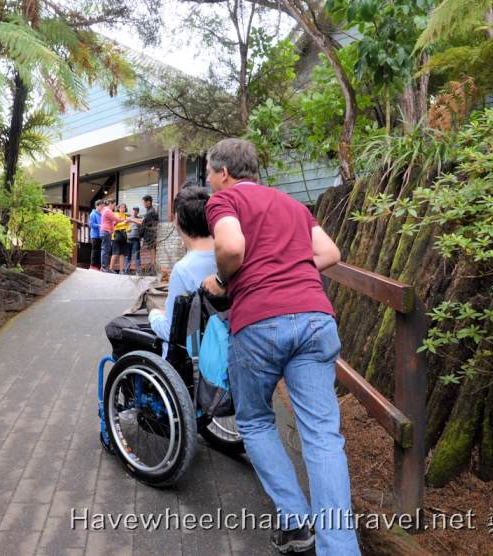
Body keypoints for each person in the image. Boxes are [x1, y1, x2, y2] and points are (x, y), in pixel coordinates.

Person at [200, 138, 359, 555]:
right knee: (323, 436)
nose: (210, 182)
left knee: (254, 421)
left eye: (209, 173)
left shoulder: (224, 201)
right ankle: (340, 548)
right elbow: (329, 253)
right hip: (315, 318)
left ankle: (295, 520)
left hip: (260, 322)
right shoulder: (292, 206)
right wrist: (291, 268)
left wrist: (222, 280)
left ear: (225, 173)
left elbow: (231, 247)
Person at [149, 185, 216, 357]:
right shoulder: (228, 258)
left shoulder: (183, 269)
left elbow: (171, 331)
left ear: (177, 220)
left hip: (189, 358)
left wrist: (154, 315)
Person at [110, 203, 129, 273]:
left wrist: (128, 229)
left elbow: (127, 227)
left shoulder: (125, 216)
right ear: (118, 208)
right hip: (117, 234)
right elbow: (114, 224)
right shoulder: (115, 214)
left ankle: (121, 270)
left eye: (124, 207)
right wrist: (124, 222)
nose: (122, 209)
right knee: (115, 252)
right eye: (121, 207)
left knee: (123, 253)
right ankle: (111, 268)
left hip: (124, 235)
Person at [100, 200, 118, 272]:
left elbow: (112, 221)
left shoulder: (105, 210)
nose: (114, 206)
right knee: (105, 249)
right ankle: (104, 267)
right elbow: (116, 219)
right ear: (110, 204)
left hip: (106, 231)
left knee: (106, 249)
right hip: (106, 231)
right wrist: (125, 219)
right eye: (114, 205)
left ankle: (105, 267)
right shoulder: (108, 211)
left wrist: (115, 222)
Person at [123, 206, 142, 275]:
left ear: (138, 212)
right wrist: (129, 220)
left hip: (136, 239)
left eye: (136, 211)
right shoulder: (128, 218)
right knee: (128, 255)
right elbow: (124, 223)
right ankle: (126, 270)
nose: (134, 212)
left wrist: (132, 220)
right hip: (128, 239)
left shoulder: (139, 218)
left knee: (137, 255)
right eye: (133, 210)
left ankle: (138, 271)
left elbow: (141, 223)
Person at [88, 199, 104, 271]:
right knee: (95, 251)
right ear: (97, 206)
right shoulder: (93, 214)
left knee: (99, 251)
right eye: (101, 206)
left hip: (100, 235)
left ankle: (98, 266)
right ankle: (92, 266)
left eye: (103, 206)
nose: (102, 207)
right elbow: (91, 224)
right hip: (95, 235)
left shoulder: (101, 214)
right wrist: (99, 225)